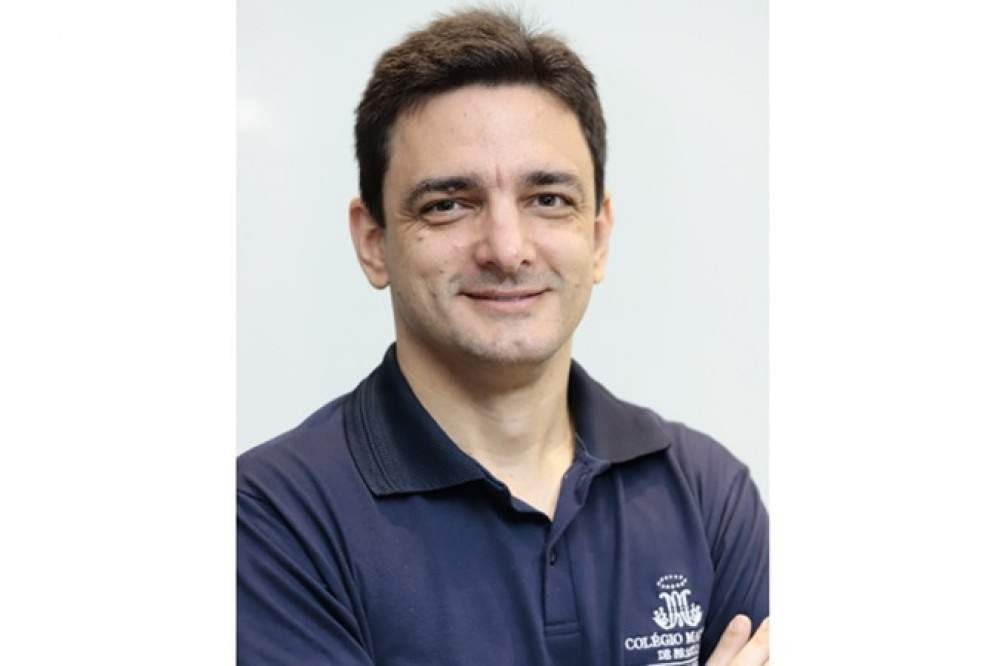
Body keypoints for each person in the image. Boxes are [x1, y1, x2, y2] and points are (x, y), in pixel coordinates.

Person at [237, 8, 769, 665]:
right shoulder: (271, 520)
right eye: (448, 205)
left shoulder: (705, 493)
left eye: (548, 199)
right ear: (373, 242)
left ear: (598, 237)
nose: (507, 249)